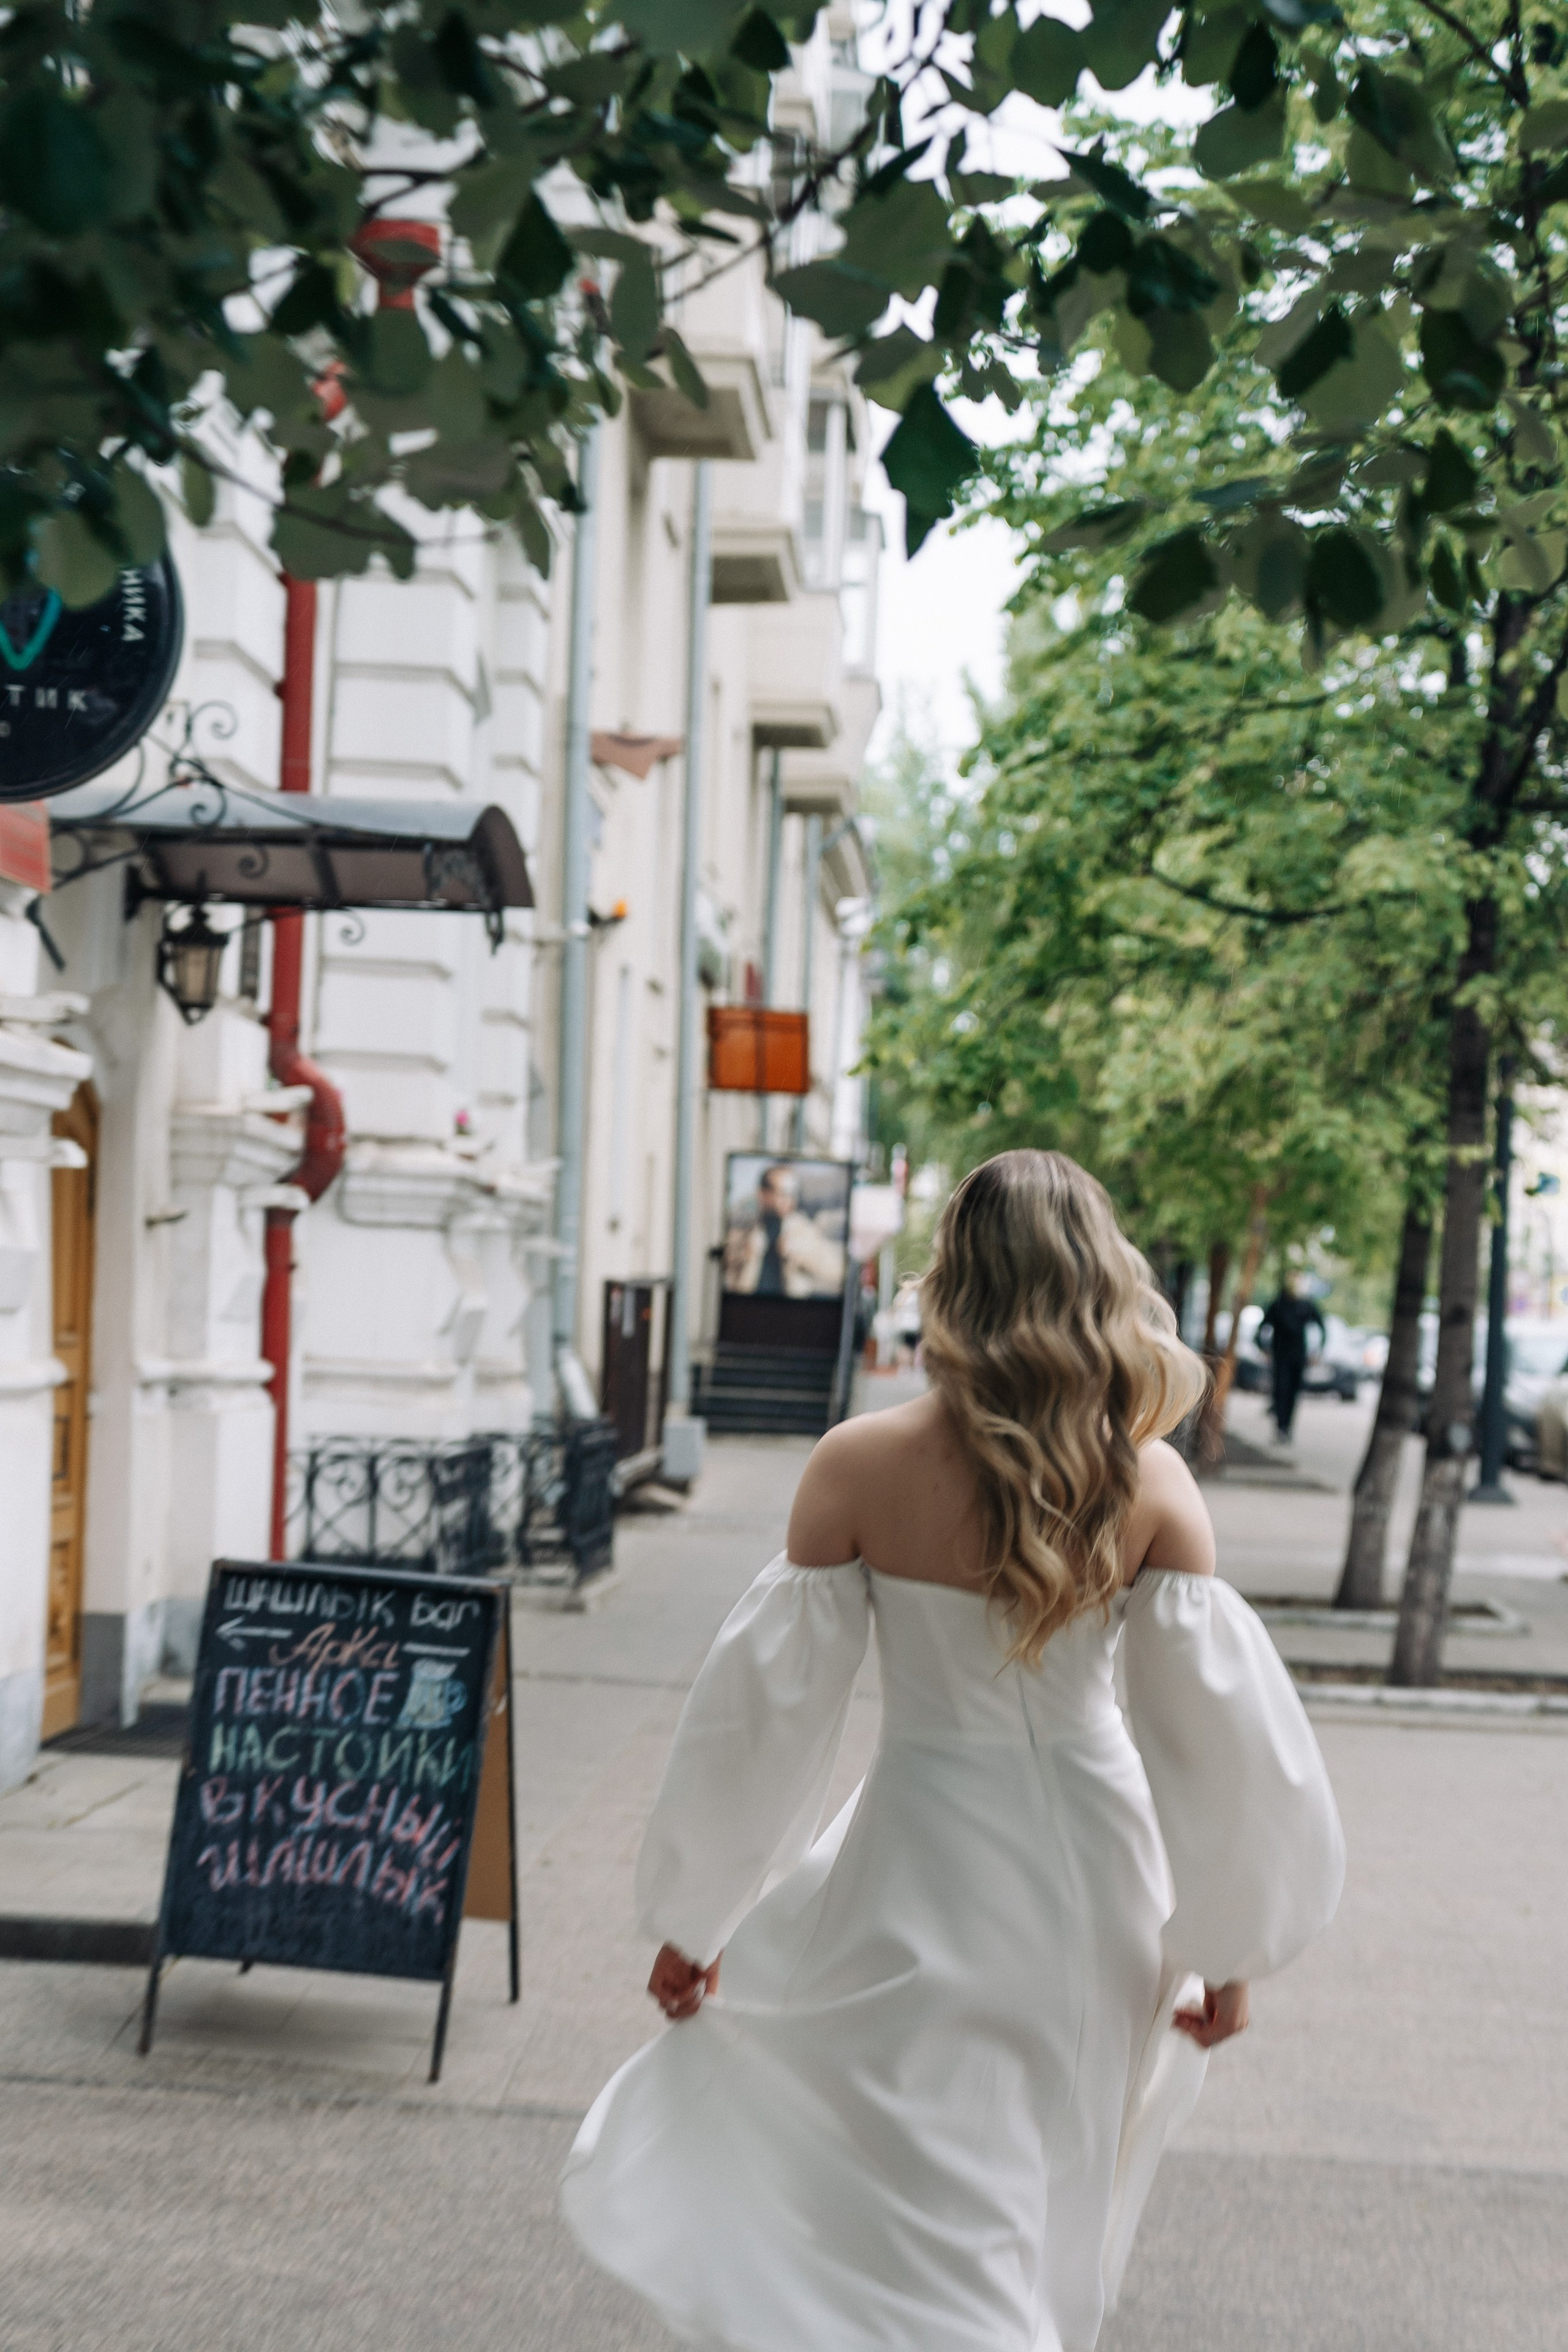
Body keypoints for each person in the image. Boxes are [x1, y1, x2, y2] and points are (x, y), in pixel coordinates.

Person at [562, 1150, 1344, 2352]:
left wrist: (697, 1914)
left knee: (914, 2184)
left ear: (950, 1283)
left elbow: (765, 1719)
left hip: (916, 1858)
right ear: (1100, 1280)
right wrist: (1225, 1947)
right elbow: (1216, 1747)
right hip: (1094, 1881)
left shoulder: (855, 1465)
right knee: (1042, 2180)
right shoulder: (1146, 1483)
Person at [723, 1161, 846, 1297]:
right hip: (746, 1310)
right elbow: (724, 1267)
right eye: (783, 1193)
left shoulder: (802, 1229)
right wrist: (745, 1254)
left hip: (790, 1313)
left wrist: (800, 1251)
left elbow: (837, 1270)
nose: (790, 1200)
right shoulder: (745, 1227)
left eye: (793, 1194)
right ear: (763, 1194)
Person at [1256, 1273, 1327, 1444]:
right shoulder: (1278, 1305)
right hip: (1281, 1358)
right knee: (1281, 1391)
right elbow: (1261, 1330)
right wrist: (1265, 1350)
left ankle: (1287, 1428)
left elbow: (1322, 1327)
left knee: (1293, 1394)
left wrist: (1317, 1352)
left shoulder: (1306, 1305)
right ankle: (1281, 1427)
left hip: (1298, 1358)